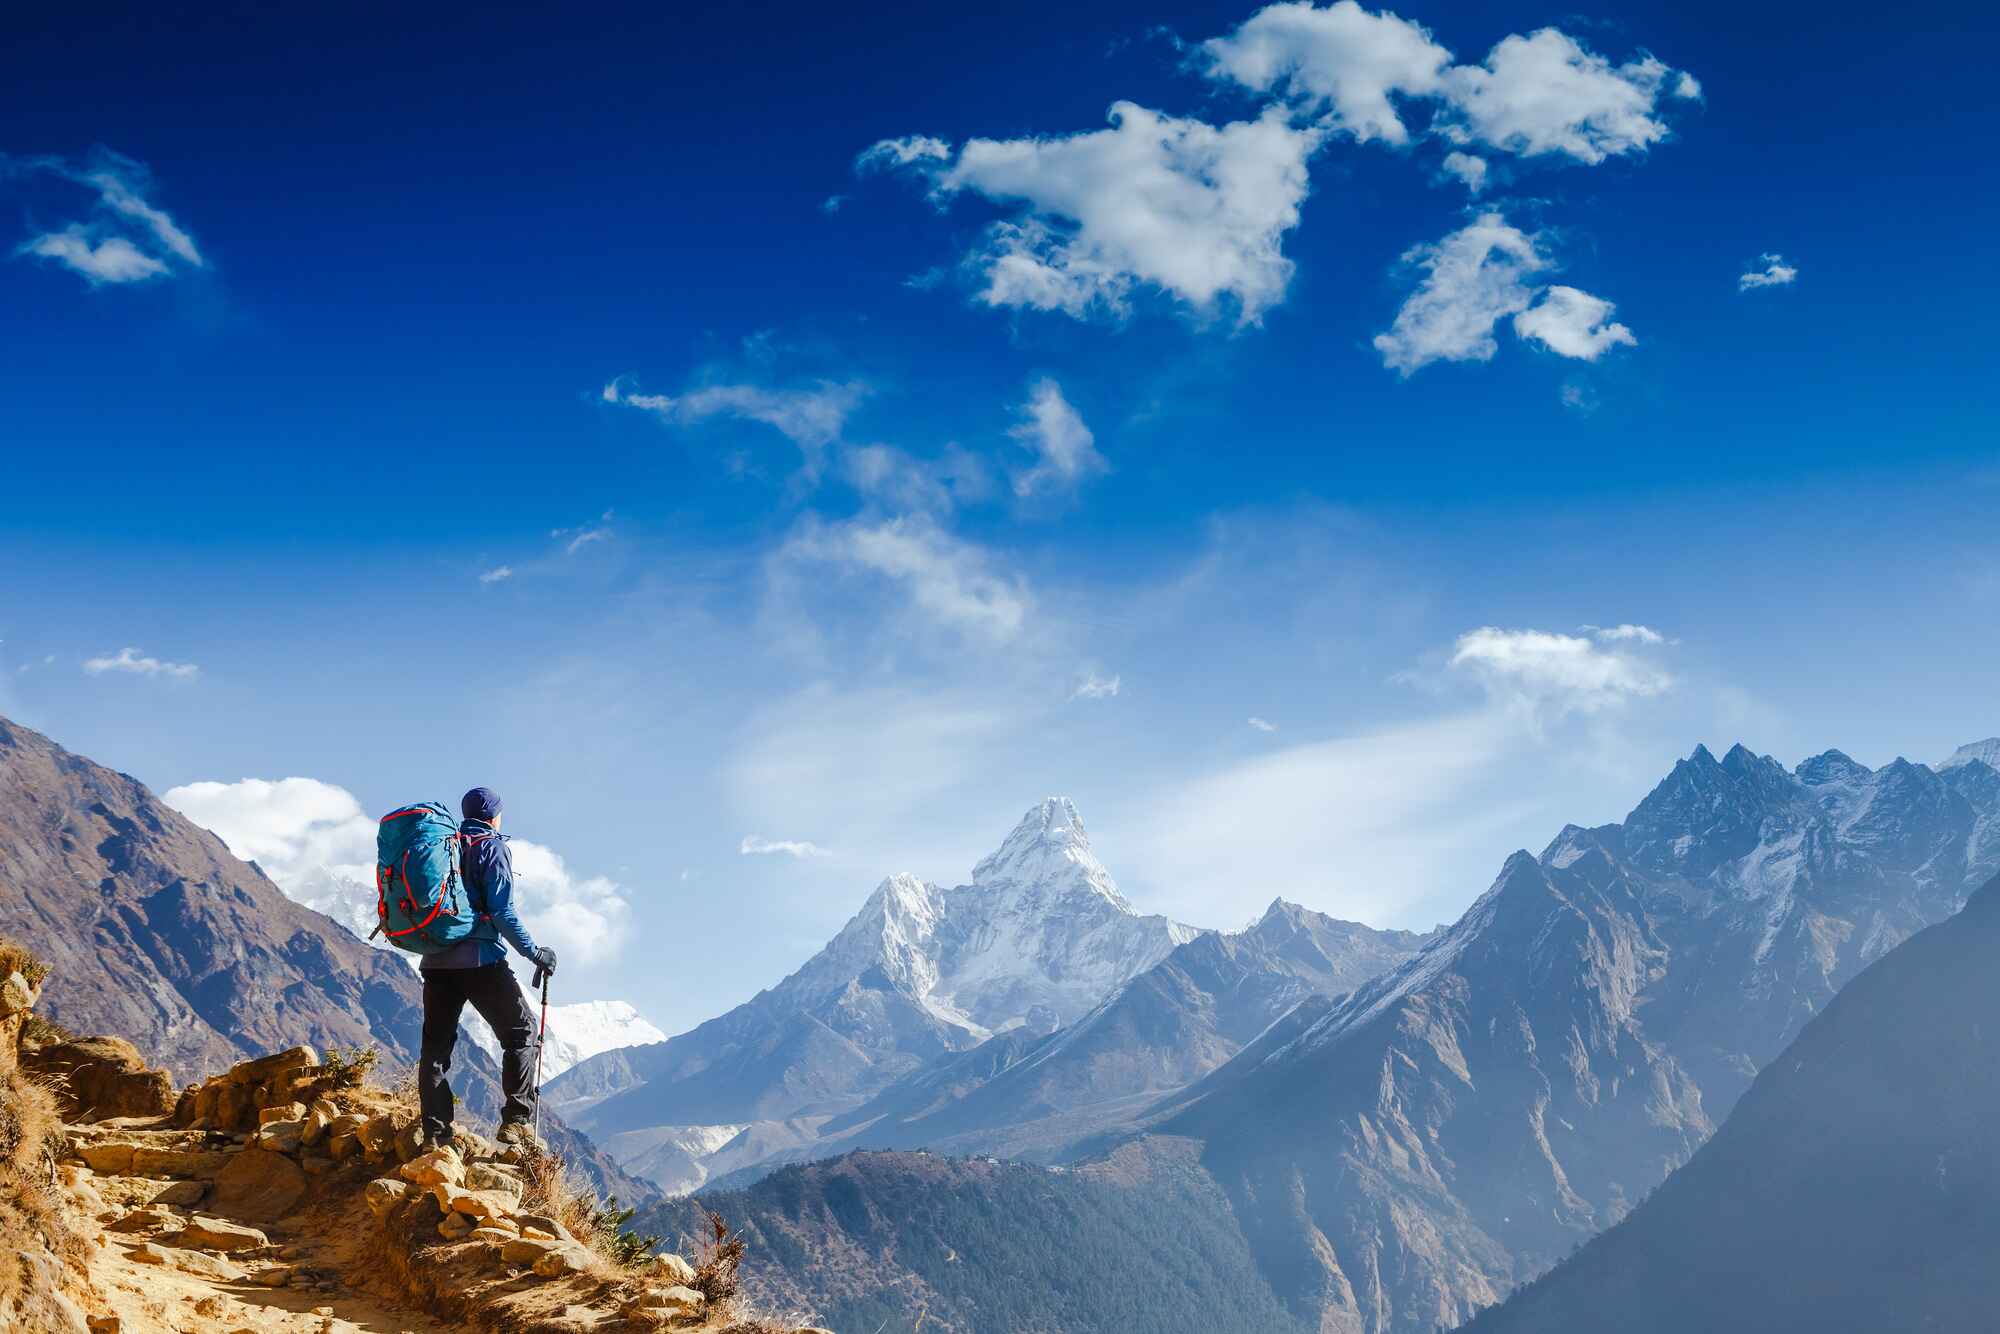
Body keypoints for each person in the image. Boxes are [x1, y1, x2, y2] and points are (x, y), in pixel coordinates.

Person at [417, 786, 558, 1149]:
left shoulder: (442, 846)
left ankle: (435, 1133)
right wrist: (534, 952)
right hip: (480, 961)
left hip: (435, 961)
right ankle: (515, 1122)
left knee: (435, 1051)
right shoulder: (491, 847)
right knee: (521, 1033)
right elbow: (501, 911)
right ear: (494, 816)